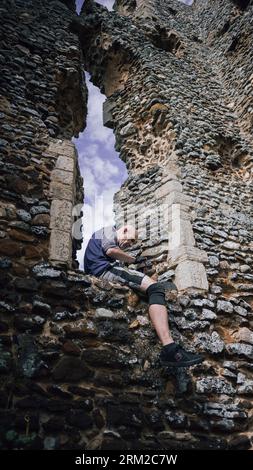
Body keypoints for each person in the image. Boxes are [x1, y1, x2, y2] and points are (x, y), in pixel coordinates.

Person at [84, 224, 203, 368]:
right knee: (156, 288)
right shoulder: (109, 230)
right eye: (131, 239)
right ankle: (170, 349)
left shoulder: (101, 235)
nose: (130, 244)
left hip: (98, 270)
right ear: (125, 229)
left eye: (133, 242)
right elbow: (111, 251)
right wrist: (133, 260)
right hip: (103, 270)